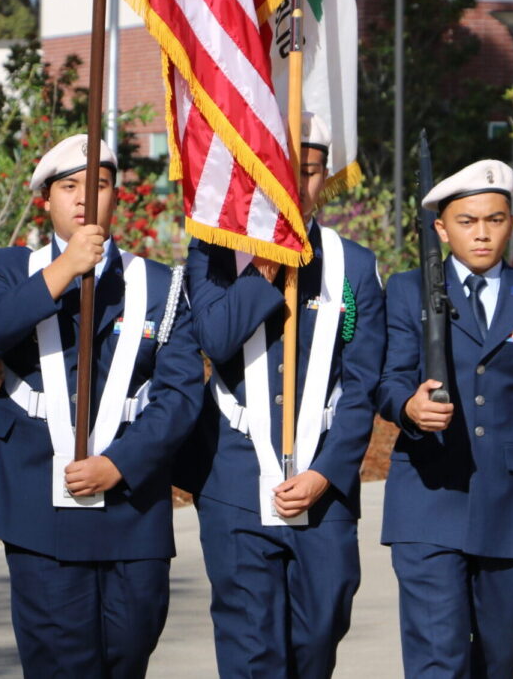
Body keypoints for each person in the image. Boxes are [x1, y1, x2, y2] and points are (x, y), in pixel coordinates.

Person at [0, 134, 204, 678]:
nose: (85, 199)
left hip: (131, 506)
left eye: (100, 185)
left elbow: (180, 395)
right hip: (37, 502)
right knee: (59, 662)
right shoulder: (8, 269)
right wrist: (64, 269)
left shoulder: (158, 284)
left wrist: (119, 464)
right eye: (70, 187)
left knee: (128, 652)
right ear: (46, 199)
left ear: (118, 197)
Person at [178, 112, 386, 678]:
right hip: (234, 473)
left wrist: (327, 472)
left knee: (320, 629)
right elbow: (217, 341)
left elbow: (362, 382)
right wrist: (265, 267)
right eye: (281, 170)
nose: (298, 186)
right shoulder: (214, 252)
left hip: (322, 478)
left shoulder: (354, 266)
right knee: (251, 648)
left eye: (312, 172)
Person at [379, 159, 513, 679]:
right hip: (427, 495)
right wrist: (408, 407)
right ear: (441, 228)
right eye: (467, 221)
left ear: (512, 222)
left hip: (510, 504)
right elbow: (387, 381)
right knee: (437, 660)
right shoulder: (406, 290)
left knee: (497, 657)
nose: (483, 234)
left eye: (496, 219)